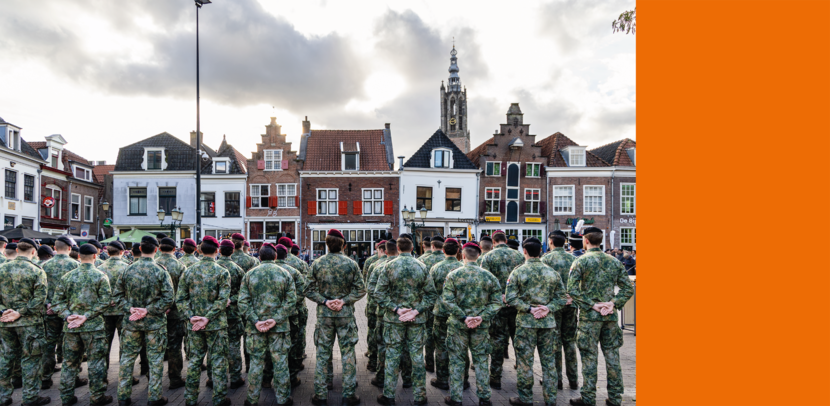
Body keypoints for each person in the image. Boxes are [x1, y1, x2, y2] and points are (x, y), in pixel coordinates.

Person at [567, 227, 635, 406]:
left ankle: (588, 397)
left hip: (590, 318)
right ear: (601, 241)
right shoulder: (614, 262)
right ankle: (615, 398)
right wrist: (613, 303)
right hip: (610, 316)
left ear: (586, 241)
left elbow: (572, 289)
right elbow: (628, 288)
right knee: (612, 357)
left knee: (589, 357)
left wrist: (592, 305)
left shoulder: (580, 262)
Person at [304, 229, 365, 406]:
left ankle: (321, 394)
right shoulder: (351, 264)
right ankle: (348, 394)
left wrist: (325, 301)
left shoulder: (317, 263)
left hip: (325, 315)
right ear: (344, 245)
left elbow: (307, 289)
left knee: (323, 353)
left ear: (326, 244)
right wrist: (343, 301)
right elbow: (361, 289)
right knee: (348, 353)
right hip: (345, 314)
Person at [505, 237, 569, 406]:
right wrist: (548, 308)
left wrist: (529, 309)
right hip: (547, 323)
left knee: (525, 362)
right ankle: (551, 399)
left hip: (526, 322)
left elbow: (511, 297)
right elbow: (562, 298)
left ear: (524, 251)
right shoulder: (551, 272)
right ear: (540, 251)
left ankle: (525, 398)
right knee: (549, 363)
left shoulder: (517, 272)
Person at [374, 237, 437, 406]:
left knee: (393, 356)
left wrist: (396, 308)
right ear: (412, 248)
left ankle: (389, 395)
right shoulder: (422, 266)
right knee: (417, 357)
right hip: (416, 319)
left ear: (398, 249)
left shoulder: (388, 266)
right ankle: (420, 396)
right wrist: (416, 310)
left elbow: (378, 293)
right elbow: (431, 295)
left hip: (394, 319)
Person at [112, 235, 174, 406]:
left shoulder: (127, 269)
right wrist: (148, 310)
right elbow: (169, 299)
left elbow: (116, 296)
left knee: (127, 359)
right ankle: (154, 396)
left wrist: (130, 308)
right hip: (154, 323)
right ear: (156, 249)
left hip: (132, 322)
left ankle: (123, 397)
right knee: (155, 360)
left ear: (140, 249)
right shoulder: (160, 270)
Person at [441, 242, 502, 406]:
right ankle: (484, 397)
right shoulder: (489, 276)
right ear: (479, 254)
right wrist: (481, 317)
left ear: (463, 254)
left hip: (458, 326)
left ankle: (456, 398)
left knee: (457, 361)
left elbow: (447, 300)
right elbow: (497, 302)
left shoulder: (453, 275)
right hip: (480, 326)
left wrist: (463, 317)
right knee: (481, 360)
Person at [52, 243, 113, 406]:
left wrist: (68, 316)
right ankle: (97, 396)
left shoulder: (67, 277)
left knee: (69, 363)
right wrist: (86, 316)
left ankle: (66, 397)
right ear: (96, 256)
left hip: (71, 327)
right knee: (96, 362)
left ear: (78, 256)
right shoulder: (100, 276)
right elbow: (106, 301)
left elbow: (56, 302)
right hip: (94, 327)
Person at [175, 236, 232, 406]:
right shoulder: (222, 272)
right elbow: (223, 300)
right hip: (216, 325)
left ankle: (190, 398)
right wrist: (207, 317)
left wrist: (191, 316)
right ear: (217, 251)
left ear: (199, 251)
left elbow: (180, 299)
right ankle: (219, 398)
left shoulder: (189, 271)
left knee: (194, 361)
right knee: (219, 361)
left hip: (194, 325)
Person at [238, 243, 297, 406]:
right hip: (279, 328)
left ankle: (252, 399)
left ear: (259, 256)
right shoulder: (285, 273)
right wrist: (276, 319)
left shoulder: (249, 275)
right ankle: (283, 399)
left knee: (256, 363)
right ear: (275, 256)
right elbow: (292, 301)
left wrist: (255, 320)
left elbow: (242, 302)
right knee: (280, 363)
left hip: (255, 328)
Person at [0, 238, 51, 406]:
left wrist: (4, 311)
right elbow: (39, 299)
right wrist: (19, 312)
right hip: (29, 323)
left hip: (5, 321)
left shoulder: (2, 269)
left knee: (6, 358)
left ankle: (3, 396)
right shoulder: (36, 271)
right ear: (33, 252)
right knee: (31, 359)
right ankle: (29, 397)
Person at [477, 231, 525, 390]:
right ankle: (523, 375)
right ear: (506, 240)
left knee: (497, 340)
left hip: (497, 305)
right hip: (516, 304)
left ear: (493, 241)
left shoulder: (488, 257)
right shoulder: (518, 256)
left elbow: (484, 281)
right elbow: (523, 280)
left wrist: (497, 297)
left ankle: (495, 377)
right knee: (518, 339)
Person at [41, 236, 83, 389]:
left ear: (55, 248)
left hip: (50, 311)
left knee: (48, 344)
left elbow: (40, 289)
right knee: (71, 346)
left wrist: (48, 304)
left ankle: (45, 377)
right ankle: (73, 377)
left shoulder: (44, 266)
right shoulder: (76, 265)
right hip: (70, 313)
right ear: (70, 248)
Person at [368, 241, 410, 390]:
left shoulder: (378, 267)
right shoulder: (412, 265)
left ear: (385, 252)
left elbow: (372, 291)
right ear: (397, 251)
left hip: (384, 313)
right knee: (406, 347)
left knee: (383, 347)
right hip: (408, 314)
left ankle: (381, 378)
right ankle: (407, 378)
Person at [541, 231, 579, 391]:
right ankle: (574, 379)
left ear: (550, 242)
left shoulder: (545, 260)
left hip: (553, 306)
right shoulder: (574, 259)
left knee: (554, 343)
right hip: (570, 305)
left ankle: (556, 379)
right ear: (564, 242)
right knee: (569, 342)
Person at [427, 238, 467, 391]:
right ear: (458, 251)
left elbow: (430, 290)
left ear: (443, 250)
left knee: (441, 346)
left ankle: (443, 379)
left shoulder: (435, 268)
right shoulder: (462, 267)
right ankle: (463, 380)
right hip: (459, 313)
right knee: (461, 346)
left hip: (440, 312)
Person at [98, 241, 138, 382]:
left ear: (107, 253)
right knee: (125, 345)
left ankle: (102, 378)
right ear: (122, 252)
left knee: (103, 346)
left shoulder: (99, 267)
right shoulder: (128, 268)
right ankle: (126, 377)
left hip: (104, 312)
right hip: (124, 311)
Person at [212, 240, 247, 390]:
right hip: (233, 312)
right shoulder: (237, 269)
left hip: (213, 314)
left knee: (213, 347)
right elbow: (244, 292)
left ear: (219, 250)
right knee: (233, 345)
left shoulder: (211, 267)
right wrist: (231, 299)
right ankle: (235, 377)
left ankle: (211, 378)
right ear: (232, 251)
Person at [272, 244, 308, 389]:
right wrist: (288, 307)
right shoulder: (293, 271)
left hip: (267, 317)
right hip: (292, 314)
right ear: (287, 255)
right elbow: (302, 291)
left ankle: (267, 378)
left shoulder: (255, 272)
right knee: (292, 344)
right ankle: (292, 377)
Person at [154, 238, 187, 389]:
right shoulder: (180, 266)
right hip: (174, 313)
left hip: (153, 313)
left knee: (154, 346)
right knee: (174, 346)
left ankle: (152, 379)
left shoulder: (152, 264)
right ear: (175, 249)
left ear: (159, 249)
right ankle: (175, 378)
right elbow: (183, 292)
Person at [419, 236, 444, 373]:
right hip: (447, 305)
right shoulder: (451, 261)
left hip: (428, 304)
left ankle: (429, 362)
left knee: (429, 334)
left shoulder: (422, 261)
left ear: (432, 246)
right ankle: (445, 366)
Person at [362, 240, 386, 372]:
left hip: (373, 304)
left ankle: (372, 358)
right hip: (392, 308)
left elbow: (366, 283)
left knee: (372, 331)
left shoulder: (372, 263)